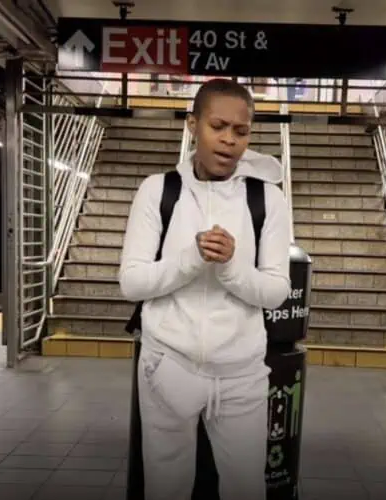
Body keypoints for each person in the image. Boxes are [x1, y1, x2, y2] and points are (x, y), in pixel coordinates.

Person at [118, 78, 291, 500]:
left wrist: (231, 266)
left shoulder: (268, 199)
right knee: (166, 487)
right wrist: (192, 259)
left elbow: (276, 291)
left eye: (241, 131)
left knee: (246, 488)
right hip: (167, 365)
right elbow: (132, 282)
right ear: (192, 124)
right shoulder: (158, 191)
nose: (230, 140)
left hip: (242, 374)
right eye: (218, 126)